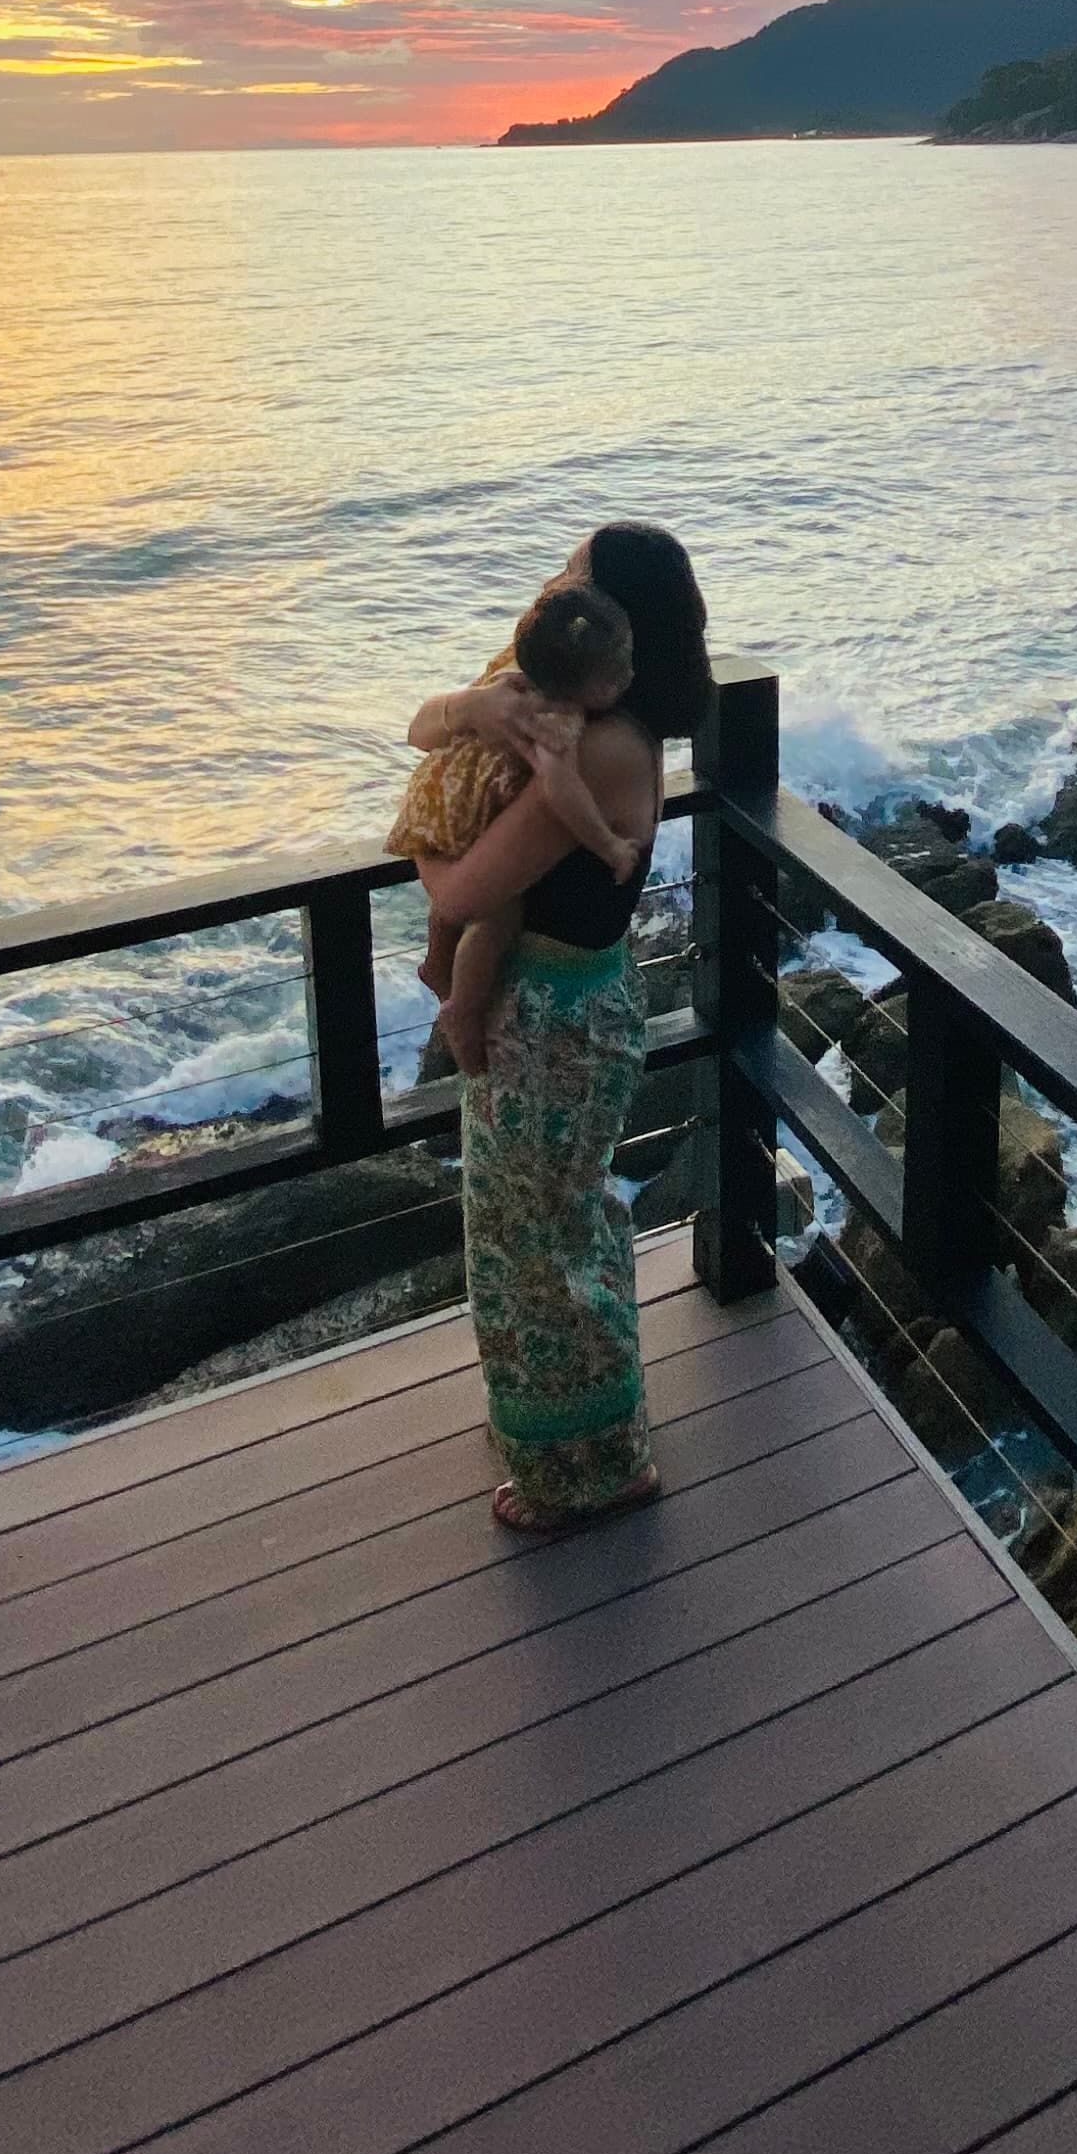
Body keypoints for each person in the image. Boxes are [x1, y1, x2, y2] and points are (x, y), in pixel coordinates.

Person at [410, 520, 713, 1535]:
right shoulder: (605, 717)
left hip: (553, 1022)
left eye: (576, 571)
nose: (556, 581)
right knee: (545, 1231)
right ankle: (566, 1433)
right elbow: (422, 730)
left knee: (542, 1246)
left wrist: (419, 843)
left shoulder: (599, 744)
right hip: (569, 1004)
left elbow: (465, 886)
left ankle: (597, 1468)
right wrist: (469, 710)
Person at [387, 578, 645, 1076]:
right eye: (616, 676)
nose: (629, 677)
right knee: (496, 915)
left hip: (435, 790)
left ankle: (437, 962)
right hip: (469, 811)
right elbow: (559, 788)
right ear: (581, 684)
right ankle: (461, 1006)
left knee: (465, 895)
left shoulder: (513, 672)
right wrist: (608, 844)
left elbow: (419, 731)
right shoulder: (559, 715)